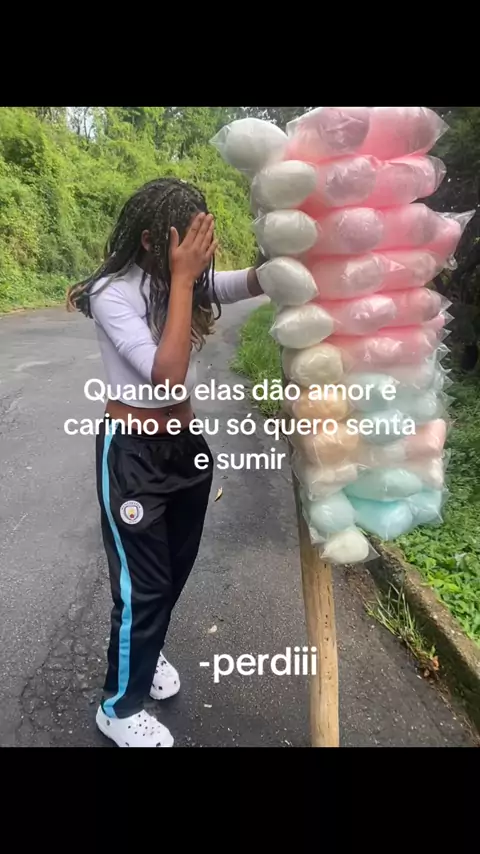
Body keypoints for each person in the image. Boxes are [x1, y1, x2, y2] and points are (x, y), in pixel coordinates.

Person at [67, 177, 264, 747]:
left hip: (184, 448)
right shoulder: (113, 293)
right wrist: (183, 279)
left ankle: (146, 652)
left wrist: (279, 256)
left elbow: (238, 284)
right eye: (188, 243)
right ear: (153, 240)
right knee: (144, 587)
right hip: (133, 456)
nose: (199, 258)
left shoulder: (179, 281)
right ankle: (118, 707)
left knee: (173, 570)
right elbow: (167, 375)